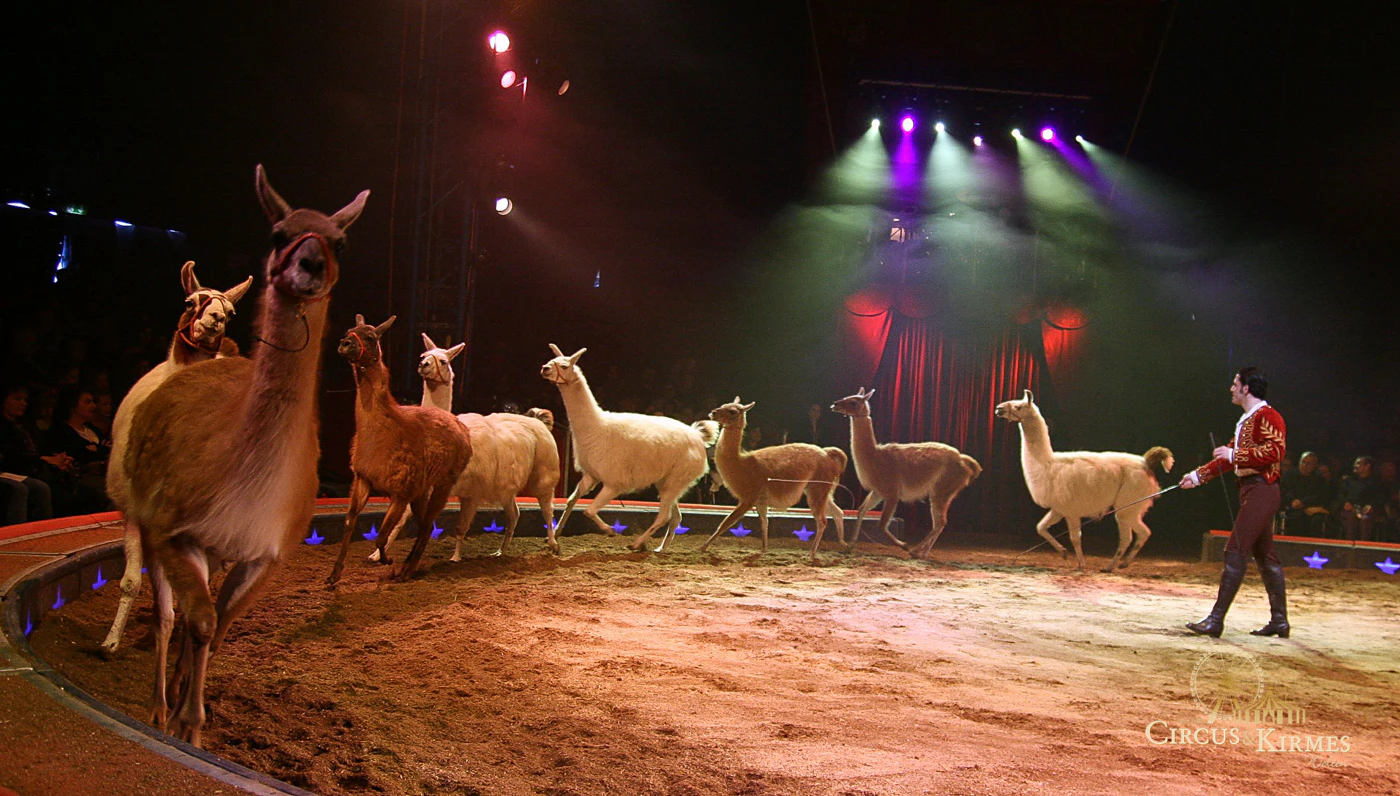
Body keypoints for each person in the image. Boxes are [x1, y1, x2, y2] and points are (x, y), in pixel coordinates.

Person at [1180, 366, 1289, 638]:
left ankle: (1216, 620)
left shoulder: (1268, 416)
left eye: (1235, 384)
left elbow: (1275, 451)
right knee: (1265, 555)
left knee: (1235, 550)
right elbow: (1227, 459)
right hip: (1252, 491)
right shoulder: (1247, 420)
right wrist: (1197, 476)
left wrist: (1234, 455)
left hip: (1262, 490)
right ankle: (1280, 621)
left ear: (1246, 388)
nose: (1231, 389)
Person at [0, 384, 71, 524]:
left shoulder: (25, 425)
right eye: (17, 399)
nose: (23, 403)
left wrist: (57, 458)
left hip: (33, 467)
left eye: (25, 400)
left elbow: (40, 448)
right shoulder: (3, 426)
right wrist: (44, 460)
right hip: (11, 469)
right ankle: (20, 534)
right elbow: (11, 457)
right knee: (32, 488)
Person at [1279, 451, 1332, 537]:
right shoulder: (1289, 475)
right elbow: (1283, 491)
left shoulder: (1319, 479)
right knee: (1297, 517)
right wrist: (1292, 500)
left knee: (1317, 519)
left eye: (1308, 463)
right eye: (1303, 462)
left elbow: (1320, 496)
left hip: (1312, 508)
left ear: (1315, 466)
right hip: (1292, 508)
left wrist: (1304, 503)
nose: (1304, 465)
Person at [1333, 456, 1383, 542]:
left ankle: (1363, 546)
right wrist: (1345, 503)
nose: (1355, 466)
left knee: (1365, 519)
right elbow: (1340, 495)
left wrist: (1372, 506)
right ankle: (1349, 544)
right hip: (1350, 510)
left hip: (1367, 511)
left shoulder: (1376, 482)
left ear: (1367, 466)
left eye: (1358, 463)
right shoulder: (1349, 481)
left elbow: (1380, 497)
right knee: (1351, 518)